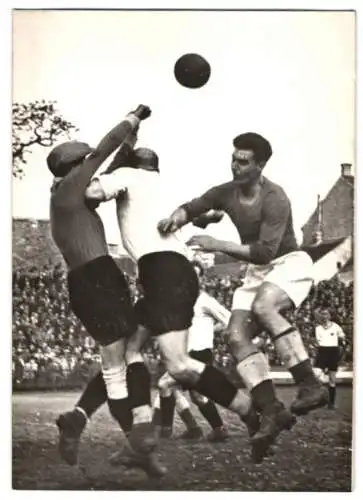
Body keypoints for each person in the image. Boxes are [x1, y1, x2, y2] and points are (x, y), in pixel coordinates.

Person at [84, 137, 262, 461]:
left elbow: (91, 193)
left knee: (178, 365)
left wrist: (106, 166)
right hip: (166, 273)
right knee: (130, 348)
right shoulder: (163, 187)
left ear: (134, 164)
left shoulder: (129, 175)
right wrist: (207, 219)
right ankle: (141, 435)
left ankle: (250, 410)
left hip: (163, 271)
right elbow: (199, 217)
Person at [158, 132, 328, 460]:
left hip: (287, 262)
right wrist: (174, 219)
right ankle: (272, 409)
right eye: (233, 158)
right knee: (235, 338)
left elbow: (265, 252)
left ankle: (310, 385)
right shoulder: (227, 191)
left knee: (265, 306)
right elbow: (193, 207)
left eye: (244, 161)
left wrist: (216, 244)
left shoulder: (275, 197)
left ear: (261, 165)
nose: (235, 165)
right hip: (257, 272)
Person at [48, 105, 161, 465]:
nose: (89, 168)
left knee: (119, 358)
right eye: (83, 164)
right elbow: (102, 153)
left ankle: (78, 419)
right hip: (97, 276)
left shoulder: (66, 197)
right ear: (73, 167)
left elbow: (112, 166)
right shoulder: (70, 186)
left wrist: (131, 141)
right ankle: (135, 444)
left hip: (86, 280)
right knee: (119, 366)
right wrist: (133, 118)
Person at [153, 261, 230, 442]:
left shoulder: (205, 301)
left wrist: (211, 330)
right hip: (184, 353)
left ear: (201, 278)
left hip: (199, 353)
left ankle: (165, 430)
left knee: (165, 384)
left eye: (196, 275)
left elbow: (229, 319)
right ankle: (218, 429)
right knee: (197, 395)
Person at [314, 309, 346, 409]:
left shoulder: (336, 327)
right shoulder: (318, 328)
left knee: (332, 379)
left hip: (333, 352)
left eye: (326, 314)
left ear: (330, 316)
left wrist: (341, 342)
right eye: (322, 314)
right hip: (323, 352)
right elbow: (319, 342)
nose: (324, 316)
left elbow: (342, 337)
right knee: (317, 376)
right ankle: (319, 399)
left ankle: (331, 403)